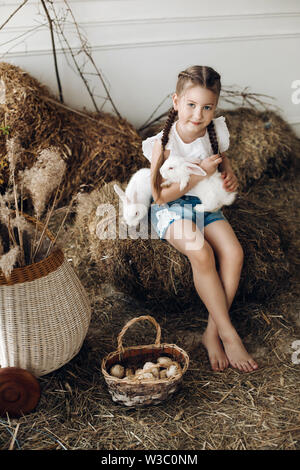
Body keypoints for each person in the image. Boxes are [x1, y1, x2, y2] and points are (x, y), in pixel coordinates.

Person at [142, 65, 258, 373]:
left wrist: (227, 174)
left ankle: (211, 332)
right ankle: (229, 333)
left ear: (215, 108)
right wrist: (199, 175)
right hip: (172, 209)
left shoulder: (214, 131)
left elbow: (221, 157)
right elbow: (158, 195)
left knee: (234, 253)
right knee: (202, 252)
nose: (198, 114)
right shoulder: (162, 144)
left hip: (206, 205)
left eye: (207, 107)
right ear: (176, 101)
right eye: (191, 105)